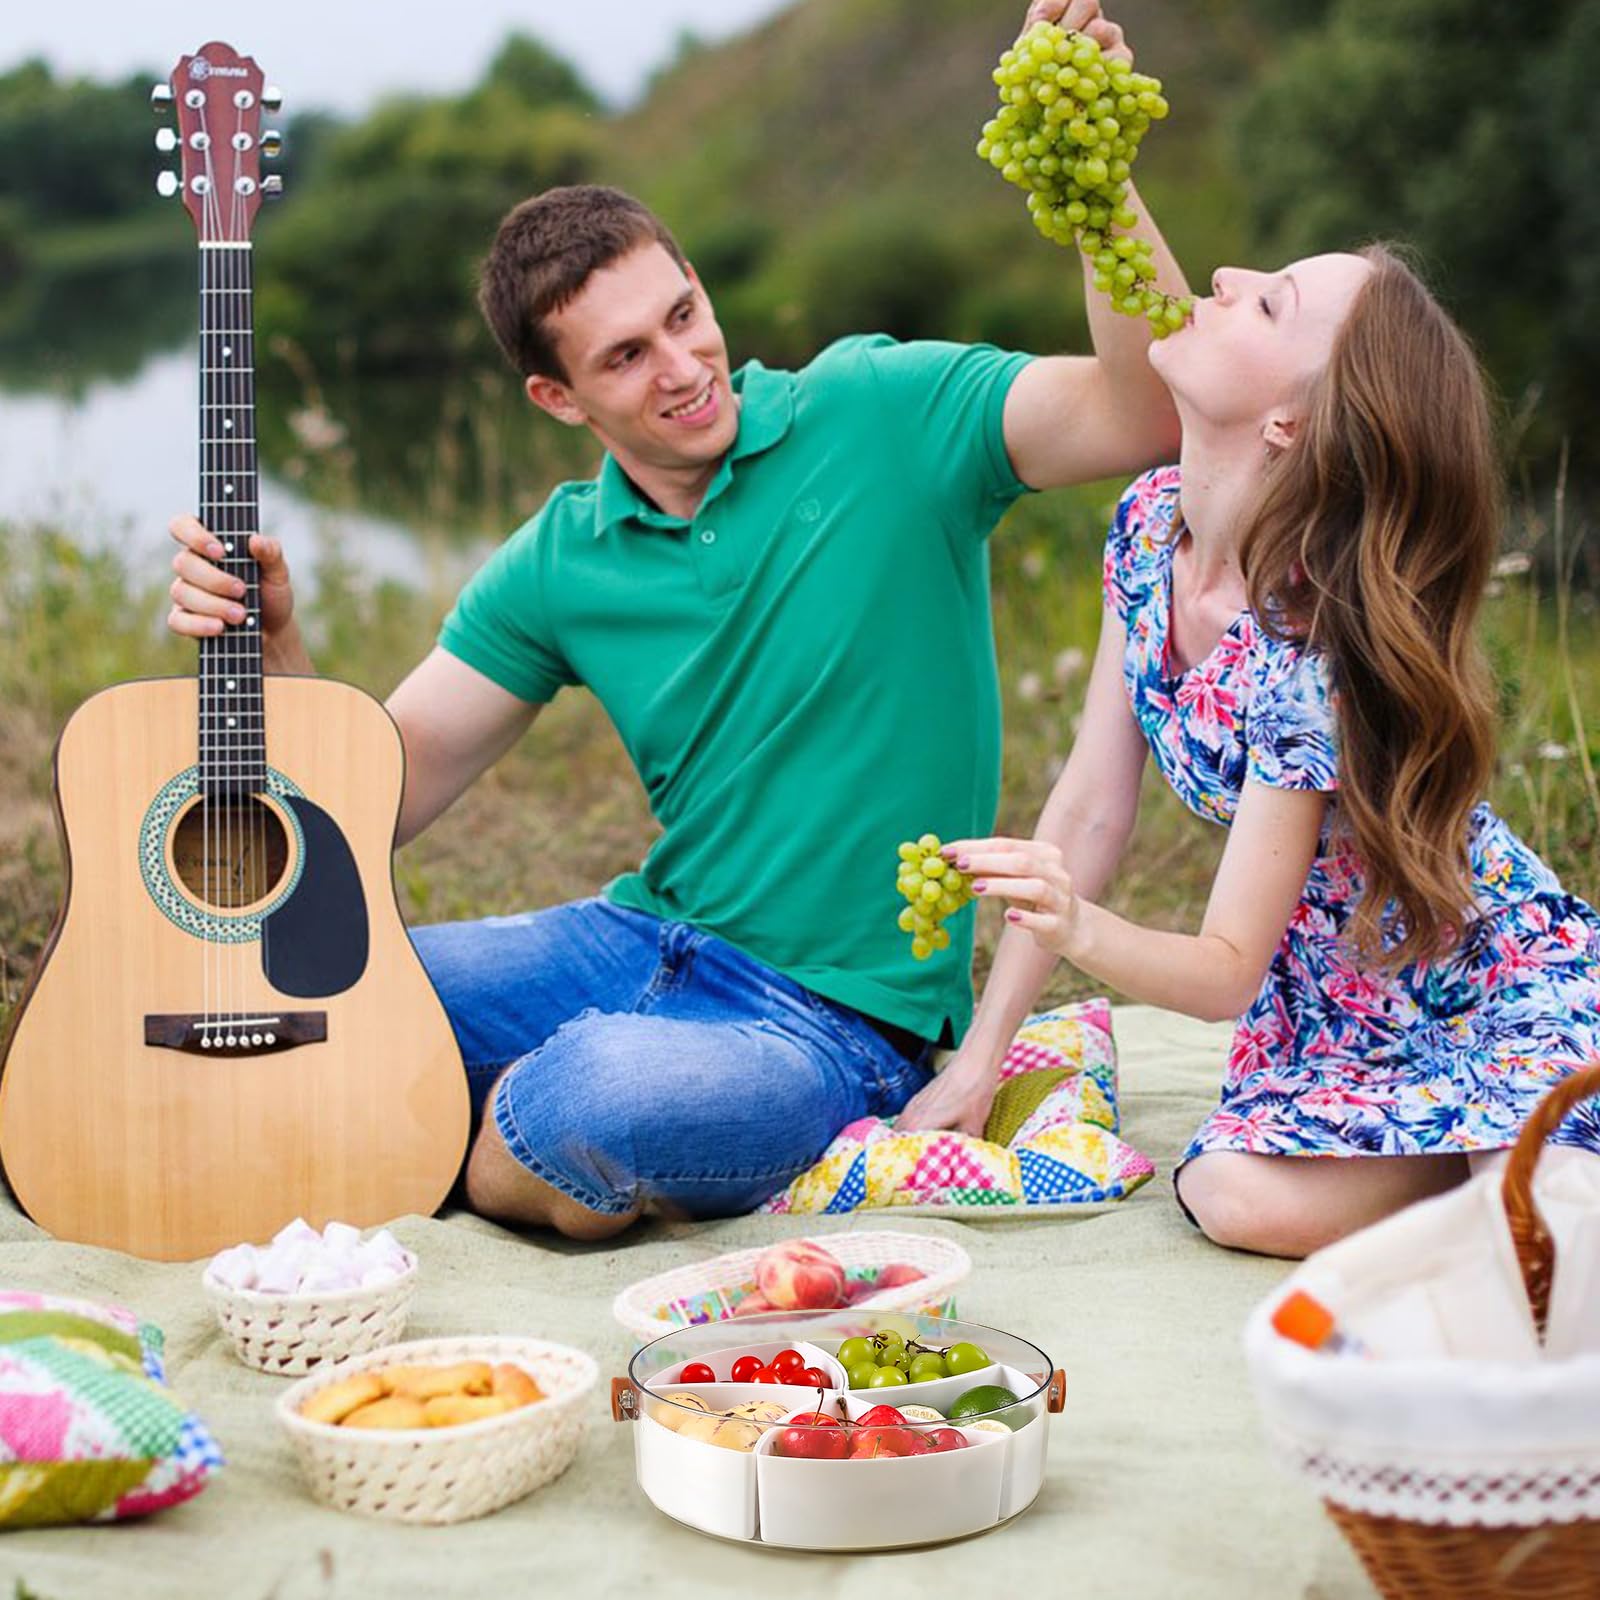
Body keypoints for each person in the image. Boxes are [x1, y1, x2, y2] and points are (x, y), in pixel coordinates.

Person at [164, 3, 1188, 1241]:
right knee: (290, 989)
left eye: (684, 315)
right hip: (634, 941)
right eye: (626, 357)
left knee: (579, 1103)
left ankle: (472, 1141)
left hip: (830, 1022)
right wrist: (273, 641)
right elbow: (361, 803)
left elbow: (1146, 413)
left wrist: (1101, 185)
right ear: (556, 397)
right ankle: (453, 1131)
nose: (685, 367)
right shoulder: (559, 559)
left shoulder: (885, 411)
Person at [895, 243, 1600, 1258]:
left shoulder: (1309, 656)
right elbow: (1092, 805)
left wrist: (1079, 925)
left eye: (1268, 306)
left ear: (1287, 423)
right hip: (1340, 1004)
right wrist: (981, 1057)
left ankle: (1523, 1137)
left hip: (1489, 983)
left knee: (1548, 1228)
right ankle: (1491, 1153)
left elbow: (1225, 971)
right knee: (1226, 1193)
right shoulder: (1147, 528)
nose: (1221, 277)